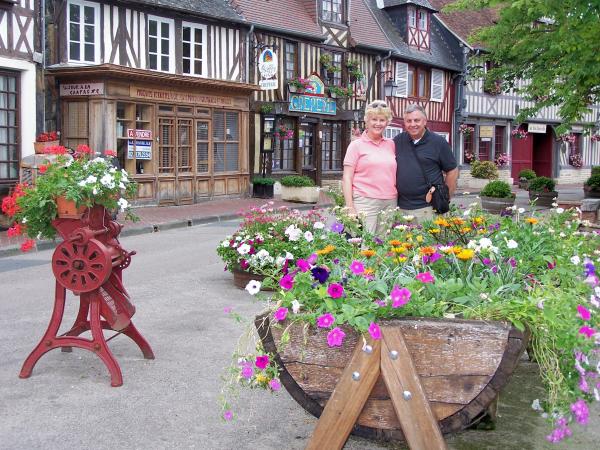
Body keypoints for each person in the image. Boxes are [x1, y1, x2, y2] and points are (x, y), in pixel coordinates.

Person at [394, 104, 458, 222]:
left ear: (424, 121)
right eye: (409, 121)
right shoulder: (397, 141)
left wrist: (445, 197)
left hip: (428, 208)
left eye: (417, 120)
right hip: (401, 208)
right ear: (404, 123)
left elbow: (452, 171)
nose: (413, 124)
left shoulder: (438, 142)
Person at [342, 100, 397, 235]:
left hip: (390, 201)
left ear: (387, 122)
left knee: (384, 246)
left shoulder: (391, 144)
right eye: (374, 119)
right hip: (365, 202)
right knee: (365, 245)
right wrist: (350, 207)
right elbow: (347, 178)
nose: (378, 123)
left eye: (382, 120)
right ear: (366, 121)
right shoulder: (356, 145)